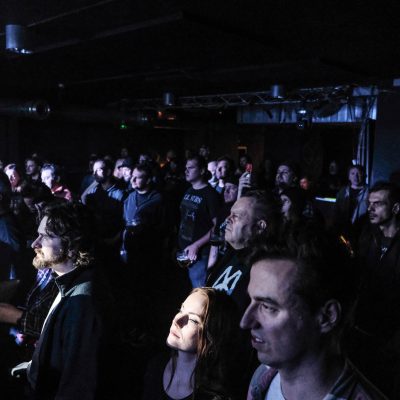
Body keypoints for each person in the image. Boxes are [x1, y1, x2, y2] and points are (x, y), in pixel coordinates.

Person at [240, 227, 387, 400]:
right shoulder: (264, 376)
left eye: (268, 307)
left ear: (326, 317)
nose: (245, 322)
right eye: (251, 300)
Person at [12, 202, 117, 400]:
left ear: (72, 246)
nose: (35, 244)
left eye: (45, 237)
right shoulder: (66, 280)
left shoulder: (84, 305)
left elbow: (78, 386)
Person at [142, 287, 244, 400]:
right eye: (181, 310)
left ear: (214, 336)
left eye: (193, 320)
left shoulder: (215, 396)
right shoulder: (156, 366)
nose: (177, 320)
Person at [349, 181, 400, 398]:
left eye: (377, 204)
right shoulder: (368, 235)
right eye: (369, 203)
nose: (370, 209)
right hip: (362, 326)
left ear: (395, 208)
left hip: (390, 333)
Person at [207, 190, 282, 314]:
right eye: (230, 214)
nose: (227, 219)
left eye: (236, 216)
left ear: (260, 226)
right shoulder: (232, 254)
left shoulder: (264, 273)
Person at [178, 155, 221, 287]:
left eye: (190, 168)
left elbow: (217, 227)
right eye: (186, 168)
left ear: (202, 170)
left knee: (198, 291)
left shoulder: (211, 195)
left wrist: (196, 245)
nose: (186, 171)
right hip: (185, 250)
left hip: (200, 254)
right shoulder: (189, 190)